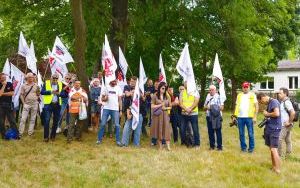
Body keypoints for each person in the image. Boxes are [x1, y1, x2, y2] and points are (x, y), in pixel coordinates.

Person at [257, 92, 282, 173]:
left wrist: (267, 114)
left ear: (263, 97)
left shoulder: (274, 102)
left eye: (261, 102)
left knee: (274, 149)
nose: (262, 103)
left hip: (274, 128)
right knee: (271, 149)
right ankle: (274, 167)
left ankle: (277, 170)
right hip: (270, 128)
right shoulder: (270, 103)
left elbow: (277, 113)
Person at [233, 82, 258, 153]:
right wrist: (235, 116)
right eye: (244, 87)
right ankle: (243, 148)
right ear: (242, 88)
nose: (245, 88)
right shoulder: (239, 95)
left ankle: (251, 149)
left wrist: (255, 117)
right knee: (241, 134)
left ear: (249, 87)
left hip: (249, 117)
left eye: (247, 87)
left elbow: (256, 106)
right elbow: (236, 106)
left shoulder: (252, 95)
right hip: (240, 118)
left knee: (250, 134)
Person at [97, 79, 123, 146]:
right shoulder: (106, 87)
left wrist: (121, 110)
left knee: (117, 125)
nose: (114, 82)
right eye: (113, 81)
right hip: (106, 108)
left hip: (115, 109)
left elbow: (120, 100)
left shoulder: (118, 88)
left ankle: (118, 141)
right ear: (110, 81)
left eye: (115, 81)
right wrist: (104, 99)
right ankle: (99, 140)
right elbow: (102, 98)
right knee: (102, 124)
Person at [40, 73, 63, 142]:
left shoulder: (60, 84)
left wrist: (60, 94)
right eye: (54, 78)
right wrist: (50, 92)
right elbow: (42, 92)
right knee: (47, 120)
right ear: (51, 77)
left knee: (56, 121)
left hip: (57, 105)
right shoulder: (46, 83)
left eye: (56, 78)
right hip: (48, 104)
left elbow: (64, 94)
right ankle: (46, 137)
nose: (55, 79)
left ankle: (53, 136)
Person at [151, 82, 172, 150]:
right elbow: (152, 106)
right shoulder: (155, 95)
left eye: (165, 88)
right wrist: (160, 105)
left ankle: (168, 146)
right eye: (163, 88)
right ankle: (160, 146)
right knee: (158, 129)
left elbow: (170, 107)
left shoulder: (167, 96)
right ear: (159, 88)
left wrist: (165, 108)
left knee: (166, 129)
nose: (164, 89)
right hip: (157, 115)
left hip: (165, 115)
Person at [179, 81, 200, 148]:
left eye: (187, 82)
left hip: (193, 113)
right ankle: (186, 143)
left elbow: (196, 101)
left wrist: (190, 109)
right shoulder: (182, 92)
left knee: (195, 129)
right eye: (185, 83)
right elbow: (180, 103)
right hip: (184, 113)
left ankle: (197, 144)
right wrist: (186, 109)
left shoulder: (195, 91)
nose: (185, 84)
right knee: (182, 129)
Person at [19, 73, 40, 137]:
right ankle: (20, 133)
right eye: (30, 77)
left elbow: (38, 94)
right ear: (27, 78)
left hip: (34, 104)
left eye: (32, 77)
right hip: (26, 104)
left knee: (33, 119)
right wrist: (23, 103)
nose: (31, 78)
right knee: (23, 119)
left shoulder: (36, 85)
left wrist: (38, 93)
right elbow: (21, 95)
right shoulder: (23, 85)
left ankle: (30, 133)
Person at [204, 85, 224, 150]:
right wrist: (207, 107)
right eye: (210, 90)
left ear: (215, 90)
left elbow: (222, 107)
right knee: (210, 132)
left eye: (212, 90)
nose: (211, 91)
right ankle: (212, 146)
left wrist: (212, 107)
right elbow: (204, 106)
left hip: (217, 117)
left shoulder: (219, 97)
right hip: (209, 116)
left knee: (218, 132)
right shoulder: (208, 96)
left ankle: (219, 147)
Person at [0, 73, 20, 139]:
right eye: (3, 77)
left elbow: (12, 93)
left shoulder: (9, 83)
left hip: (8, 105)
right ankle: (3, 136)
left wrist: (3, 93)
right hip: (1, 106)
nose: (4, 78)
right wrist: (3, 86)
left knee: (12, 120)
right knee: (1, 121)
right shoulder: (2, 84)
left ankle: (17, 135)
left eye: (5, 77)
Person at [277, 87, 295, 157]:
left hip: (285, 125)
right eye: (279, 93)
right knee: (288, 140)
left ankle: (279, 156)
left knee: (279, 139)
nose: (279, 94)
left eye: (280, 93)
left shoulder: (287, 102)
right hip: (285, 124)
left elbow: (293, 113)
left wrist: (289, 122)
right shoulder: (283, 102)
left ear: (285, 94)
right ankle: (288, 155)